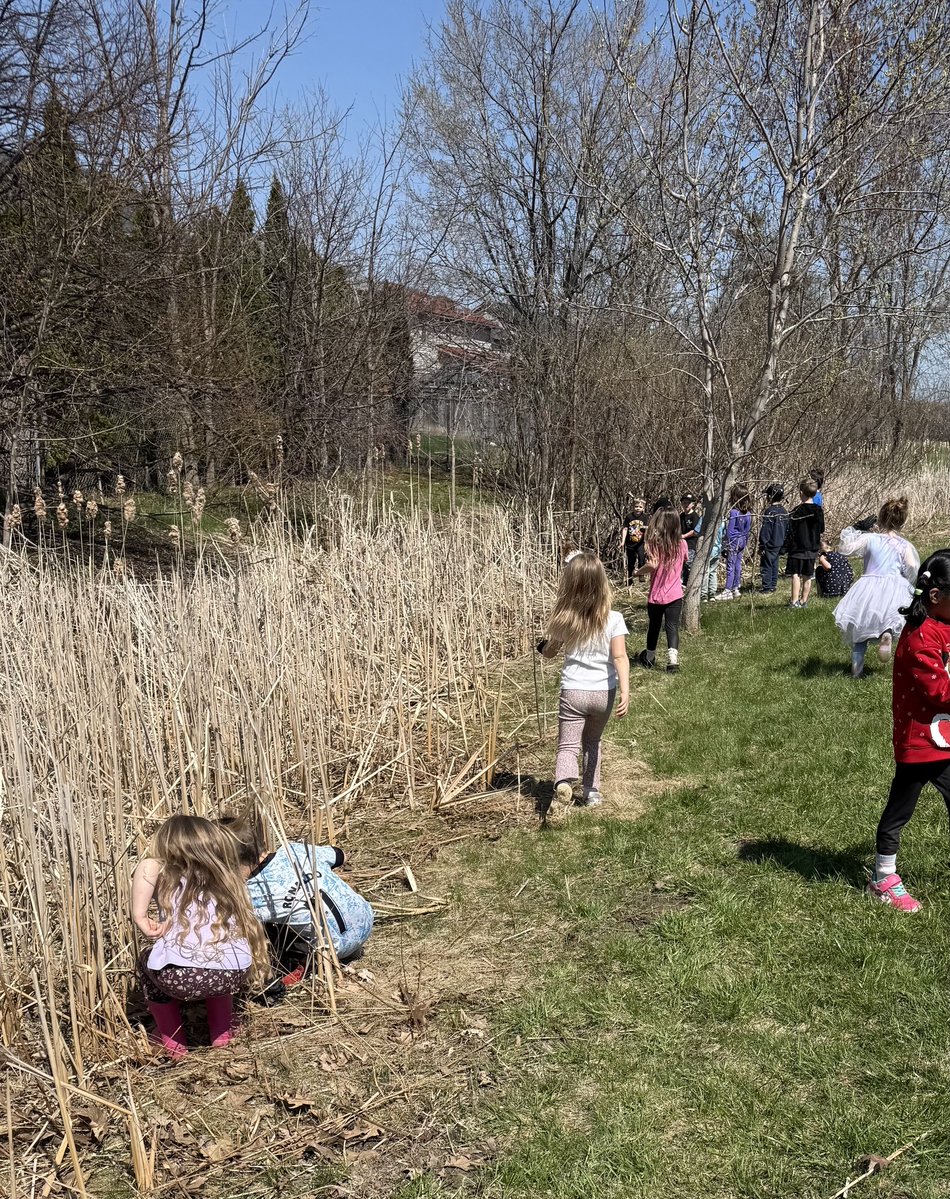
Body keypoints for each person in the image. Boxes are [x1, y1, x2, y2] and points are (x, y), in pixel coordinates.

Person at [132, 815, 271, 1060]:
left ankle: (172, 1041)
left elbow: (147, 867)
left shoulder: (160, 870)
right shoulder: (224, 874)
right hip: (233, 973)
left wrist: (141, 917)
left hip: (180, 977)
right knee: (220, 951)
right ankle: (222, 1034)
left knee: (145, 961)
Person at [866, 550, 950, 912]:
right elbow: (940, 692)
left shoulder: (943, 625)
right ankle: (883, 876)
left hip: (944, 740)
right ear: (936, 597)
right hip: (919, 744)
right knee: (900, 809)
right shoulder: (920, 639)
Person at [220, 814, 374, 982]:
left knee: (260, 921)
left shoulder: (252, 893)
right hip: (367, 920)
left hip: (332, 950)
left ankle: (301, 963)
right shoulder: (294, 849)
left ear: (229, 864)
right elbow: (340, 855)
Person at [540, 552, 629, 819]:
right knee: (593, 740)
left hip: (573, 691)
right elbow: (620, 656)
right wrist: (625, 690)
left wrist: (543, 647)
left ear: (570, 582)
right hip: (603, 692)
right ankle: (591, 792)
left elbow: (550, 652)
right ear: (602, 582)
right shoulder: (614, 618)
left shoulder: (564, 619)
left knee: (567, 745)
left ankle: (564, 783)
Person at [834, 498, 918, 678]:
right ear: (901, 521)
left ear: (880, 518)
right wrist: (905, 578)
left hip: (868, 587)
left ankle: (857, 672)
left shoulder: (870, 538)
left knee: (860, 628)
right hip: (894, 586)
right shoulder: (904, 545)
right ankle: (886, 634)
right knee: (888, 619)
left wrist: (856, 528)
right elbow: (912, 566)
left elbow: (845, 548)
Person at [636, 508, 687, 672]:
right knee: (672, 626)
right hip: (675, 594)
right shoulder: (682, 543)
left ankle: (649, 657)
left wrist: (637, 572)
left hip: (657, 595)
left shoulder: (654, 544)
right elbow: (685, 560)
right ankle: (673, 661)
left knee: (654, 626)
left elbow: (652, 564)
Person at [785, 479, 825, 607]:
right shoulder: (818, 511)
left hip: (797, 548)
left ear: (801, 492)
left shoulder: (796, 511)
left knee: (796, 574)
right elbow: (822, 529)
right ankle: (804, 601)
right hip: (812, 547)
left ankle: (794, 601)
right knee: (807, 575)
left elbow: (790, 530)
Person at [715, 484, 752, 600]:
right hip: (742, 541)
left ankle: (727, 590)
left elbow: (730, 532)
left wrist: (726, 545)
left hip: (734, 541)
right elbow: (747, 530)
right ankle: (736, 588)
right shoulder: (749, 513)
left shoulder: (734, 513)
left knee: (730, 566)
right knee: (737, 565)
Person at [758, 484, 789, 594]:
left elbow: (766, 530)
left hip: (770, 543)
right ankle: (773, 585)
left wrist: (762, 544)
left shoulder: (769, 512)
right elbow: (787, 529)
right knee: (775, 564)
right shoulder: (784, 511)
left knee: (766, 565)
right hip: (779, 542)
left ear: (770, 497)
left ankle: (767, 587)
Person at [815, 534, 854, 599]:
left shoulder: (824, 555)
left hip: (833, 590)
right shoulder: (840, 555)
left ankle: (821, 594)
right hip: (845, 587)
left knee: (818, 569)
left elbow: (828, 567)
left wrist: (821, 559)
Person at [619, 496, 648, 584]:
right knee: (631, 561)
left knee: (641, 558)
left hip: (640, 543)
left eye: (640, 507)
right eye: (636, 506)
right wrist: (623, 542)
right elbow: (625, 529)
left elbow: (648, 529)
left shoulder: (645, 517)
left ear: (643, 508)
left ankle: (641, 574)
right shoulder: (629, 517)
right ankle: (629, 579)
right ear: (633, 507)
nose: (638, 509)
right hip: (630, 543)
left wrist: (646, 541)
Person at [700, 511, 725, 603]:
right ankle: (712, 594)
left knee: (705, 572)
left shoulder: (706, 518)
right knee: (713, 572)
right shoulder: (721, 520)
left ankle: (704, 595)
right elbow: (723, 533)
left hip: (707, 550)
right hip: (717, 549)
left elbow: (697, 530)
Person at [679, 494, 700, 583]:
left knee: (688, 564)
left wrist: (683, 536)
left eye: (688, 503)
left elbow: (695, 531)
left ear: (692, 505)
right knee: (681, 564)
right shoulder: (681, 516)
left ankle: (690, 583)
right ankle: (683, 582)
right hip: (680, 544)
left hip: (691, 544)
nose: (686, 505)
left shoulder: (695, 516)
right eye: (684, 503)